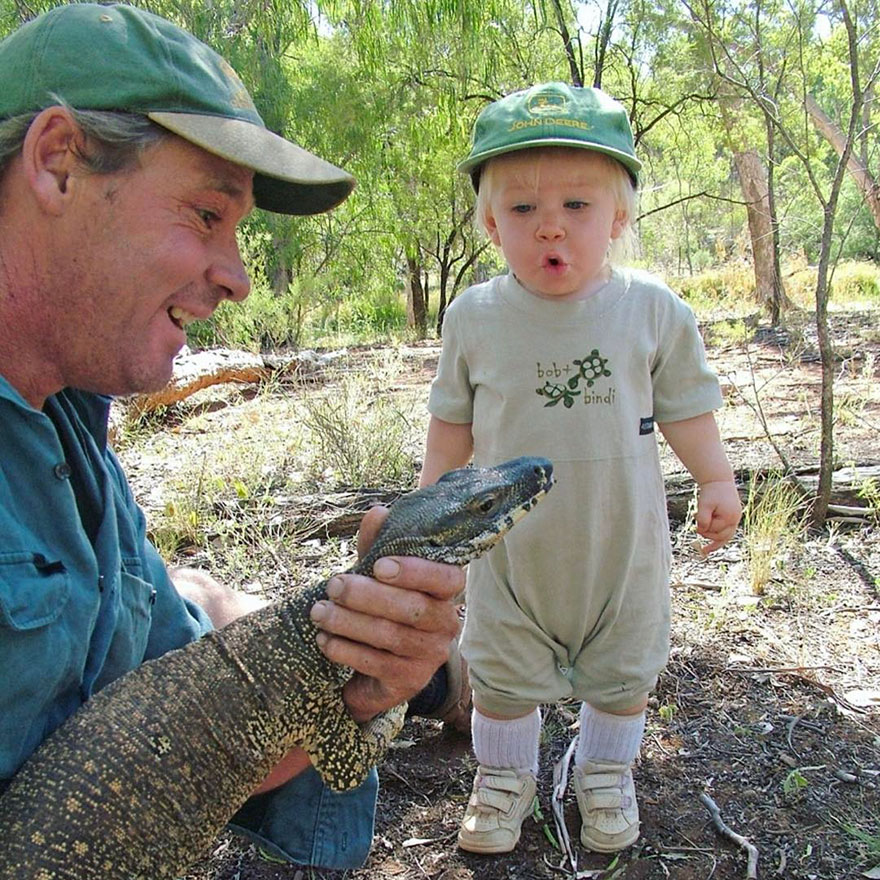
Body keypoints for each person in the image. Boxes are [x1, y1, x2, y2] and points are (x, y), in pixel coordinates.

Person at [0, 3, 468, 870]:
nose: (240, 278)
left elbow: (210, 748)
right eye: (207, 215)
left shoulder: (66, 416)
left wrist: (371, 688)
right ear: (58, 163)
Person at [420, 82, 742, 856]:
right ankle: (502, 782)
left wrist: (716, 478)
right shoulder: (475, 317)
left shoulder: (653, 310)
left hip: (621, 548)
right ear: (491, 222)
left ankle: (606, 772)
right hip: (511, 554)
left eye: (578, 206)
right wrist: (431, 507)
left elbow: (687, 407)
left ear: (619, 219)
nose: (550, 228)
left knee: (624, 674)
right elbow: (452, 421)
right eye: (523, 211)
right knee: (499, 678)